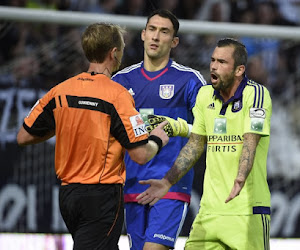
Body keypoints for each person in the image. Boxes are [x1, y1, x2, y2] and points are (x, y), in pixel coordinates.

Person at [16, 23, 169, 250]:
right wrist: (157, 139)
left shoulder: (60, 91)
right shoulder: (118, 96)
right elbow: (139, 154)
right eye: (122, 47)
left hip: (68, 196)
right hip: (101, 196)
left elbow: (23, 136)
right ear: (113, 53)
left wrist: (68, 123)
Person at [137, 38, 272, 250]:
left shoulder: (256, 95)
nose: (213, 66)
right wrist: (166, 182)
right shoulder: (205, 95)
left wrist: (240, 177)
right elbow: (195, 145)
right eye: (212, 60)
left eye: (222, 62)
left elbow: (250, 140)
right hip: (209, 213)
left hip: (246, 212)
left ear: (239, 70)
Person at [112, 9, 207, 250]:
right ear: (143, 35)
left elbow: (206, 131)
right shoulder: (121, 81)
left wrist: (179, 129)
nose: (156, 36)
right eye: (152, 30)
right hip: (132, 184)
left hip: (170, 186)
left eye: (164, 32)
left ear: (174, 42)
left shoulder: (190, 81)